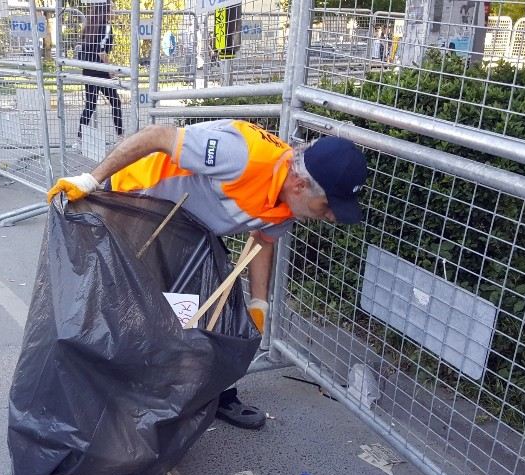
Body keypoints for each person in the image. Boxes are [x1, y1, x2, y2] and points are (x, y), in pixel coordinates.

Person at [47, 119, 368, 429]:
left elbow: (262, 241)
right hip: (136, 205)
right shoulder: (241, 155)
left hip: (191, 229)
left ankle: (213, 394)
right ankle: (108, 398)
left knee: (210, 309)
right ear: (300, 184)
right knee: (131, 307)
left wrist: (259, 302)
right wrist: (91, 179)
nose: (329, 217)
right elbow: (157, 135)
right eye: (327, 205)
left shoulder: (290, 204)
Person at [76, 2, 123, 142]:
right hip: (100, 70)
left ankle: (79, 139)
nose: (115, 11)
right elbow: (101, 51)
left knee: (90, 105)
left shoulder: (89, 25)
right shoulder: (106, 26)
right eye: (113, 8)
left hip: (88, 70)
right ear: (106, 10)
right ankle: (120, 137)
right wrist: (111, 71)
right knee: (115, 102)